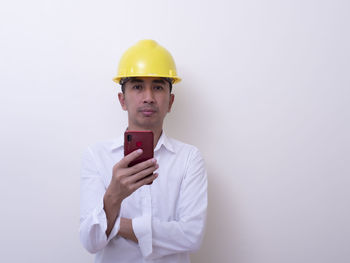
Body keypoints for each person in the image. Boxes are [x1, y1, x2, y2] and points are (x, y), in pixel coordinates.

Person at [79, 39, 208, 263]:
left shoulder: (189, 158)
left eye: (158, 87)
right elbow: (91, 241)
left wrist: (116, 223)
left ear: (170, 102)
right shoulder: (96, 156)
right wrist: (113, 196)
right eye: (137, 87)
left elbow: (191, 236)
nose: (148, 97)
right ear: (122, 100)